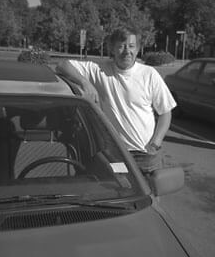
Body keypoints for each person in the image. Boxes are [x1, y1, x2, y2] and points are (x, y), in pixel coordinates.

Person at [56, 26, 177, 175]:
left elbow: (165, 112)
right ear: (112, 49)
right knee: (119, 194)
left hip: (146, 155)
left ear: (138, 49)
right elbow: (62, 65)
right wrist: (84, 82)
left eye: (131, 46)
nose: (127, 51)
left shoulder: (149, 74)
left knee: (150, 196)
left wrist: (156, 143)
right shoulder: (98, 70)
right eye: (121, 46)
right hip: (116, 153)